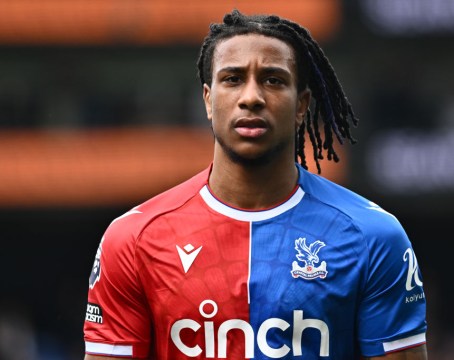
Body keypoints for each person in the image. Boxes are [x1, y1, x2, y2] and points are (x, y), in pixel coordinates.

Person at [83, 10, 428, 359]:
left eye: (273, 80)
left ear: (302, 105)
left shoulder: (373, 237)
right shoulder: (133, 239)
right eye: (232, 79)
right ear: (207, 100)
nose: (251, 97)